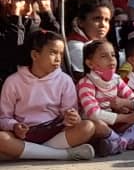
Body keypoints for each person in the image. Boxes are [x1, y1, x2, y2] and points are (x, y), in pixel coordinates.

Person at [0, 30, 96, 161]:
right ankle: (64, 155)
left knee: (87, 127)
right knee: (2, 139)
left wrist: (72, 117)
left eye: (61, 54)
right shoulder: (13, 81)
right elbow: (4, 117)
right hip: (23, 133)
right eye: (53, 53)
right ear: (35, 55)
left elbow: (69, 114)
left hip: (54, 131)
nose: (58, 59)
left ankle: (28, 152)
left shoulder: (65, 80)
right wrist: (14, 126)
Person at [77, 40, 134, 155]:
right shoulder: (86, 83)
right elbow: (93, 114)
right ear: (90, 64)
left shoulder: (116, 80)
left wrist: (124, 103)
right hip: (101, 126)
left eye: (113, 55)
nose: (111, 59)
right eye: (104, 56)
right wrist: (124, 118)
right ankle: (128, 140)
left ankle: (119, 142)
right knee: (97, 125)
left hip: (114, 124)